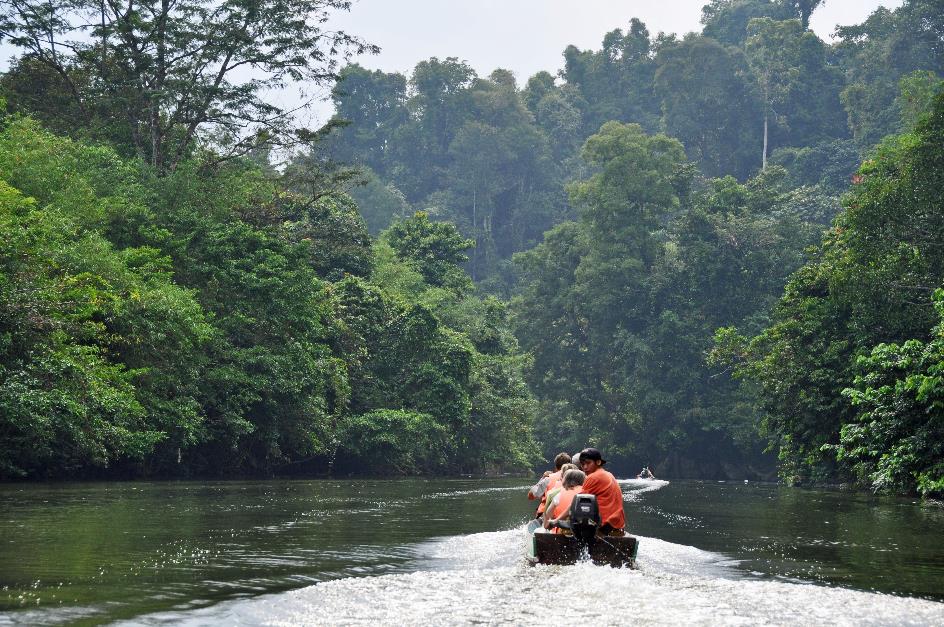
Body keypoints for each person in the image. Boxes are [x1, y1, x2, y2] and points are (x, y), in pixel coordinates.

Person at [577, 447, 625, 535]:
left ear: (598, 462)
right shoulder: (608, 474)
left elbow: (578, 503)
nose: (585, 467)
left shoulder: (593, 477)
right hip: (616, 523)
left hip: (604, 525)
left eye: (588, 463)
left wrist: (558, 519)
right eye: (582, 464)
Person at [527, 452, 571, 518]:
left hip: (548, 517)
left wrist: (542, 478)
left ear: (556, 466)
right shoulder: (578, 478)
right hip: (568, 515)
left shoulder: (548, 479)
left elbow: (530, 496)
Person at [543, 468, 585, 533]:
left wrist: (550, 524)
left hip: (563, 533)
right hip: (584, 532)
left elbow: (547, 521)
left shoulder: (558, 495)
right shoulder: (590, 494)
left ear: (566, 480)